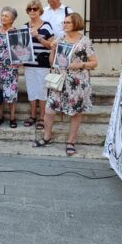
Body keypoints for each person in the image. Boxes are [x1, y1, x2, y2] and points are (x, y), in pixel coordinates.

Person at [33, 12, 98, 157]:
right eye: (64, 22)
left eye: (68, 22)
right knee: (49, 110)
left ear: (76, 23)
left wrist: (80, 64)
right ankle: (46, 137)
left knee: (75, 113)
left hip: (77, 82)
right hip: (59, 80)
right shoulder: (60, 39)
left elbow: (94, 63)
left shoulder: (84, 41)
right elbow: (52, 62)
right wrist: (53, 49)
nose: (64, 25)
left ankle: (71, 141)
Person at [23, 0, 55, 129]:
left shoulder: (46, 26)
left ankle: (42, 118)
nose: (32, 11)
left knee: (42, 90)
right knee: (31, 90)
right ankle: (32, 116)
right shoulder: (24, 27)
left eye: (35, 9)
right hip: (29, 63)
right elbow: (19, 47)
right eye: (30, 9)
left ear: (40, 11)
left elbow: (51, 46)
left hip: (42, 63)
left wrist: (39, 37)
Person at [0, 6, 20, 128]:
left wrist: (21, 60)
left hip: (11, 68)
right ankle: (0, 117)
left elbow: (21, 51)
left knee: (11, 94)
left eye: (6, 16)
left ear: (12, 19)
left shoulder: (15, 33)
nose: (3, 17)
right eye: (2, 15)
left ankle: (12, 118)